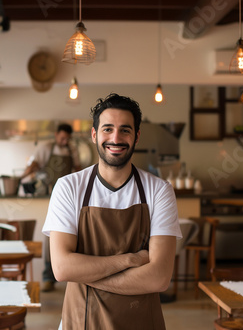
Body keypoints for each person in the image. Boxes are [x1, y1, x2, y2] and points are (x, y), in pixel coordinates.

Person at [42, 93, 182, 329]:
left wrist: (86, 275)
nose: (116, 138)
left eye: (125, 130)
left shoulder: (159, 191)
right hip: (81, 321)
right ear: (94, 134)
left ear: (137, 136)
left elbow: (159, 278)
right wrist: (131, 259)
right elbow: (63, 268)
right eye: (107, 129)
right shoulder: (69, 187)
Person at [22, 123, 81, 292]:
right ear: (56, 135)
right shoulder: (46, 148)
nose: (65, 140)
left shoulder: (72, 150)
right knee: (51, 235)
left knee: (69, 234)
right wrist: (22, 177)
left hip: (69, 196)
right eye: (62, 137)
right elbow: (34, 165)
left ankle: (72, 275)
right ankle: (49, 277)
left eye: (67, 138)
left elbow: (77, 169)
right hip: (49, 194)